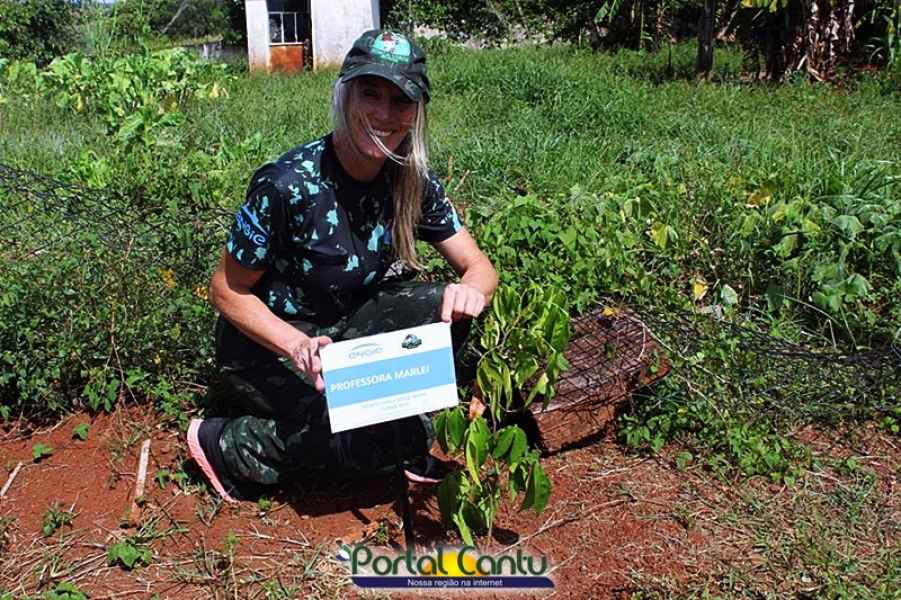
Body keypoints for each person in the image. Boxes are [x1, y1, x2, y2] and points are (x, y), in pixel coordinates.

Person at [187, 30, 498, 502]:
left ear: (417, 111)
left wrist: (468, 290)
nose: (384, 114)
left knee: (444, 308)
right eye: (370, 93)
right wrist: (296, 345)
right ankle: (228, 444)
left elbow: (480, 268)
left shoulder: (410, 178)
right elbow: (226, 291)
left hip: (345, 330)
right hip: (270, 344)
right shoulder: (287, 185)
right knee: (369, 444)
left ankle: (390, 425)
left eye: (401, 100)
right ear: (344, 93)